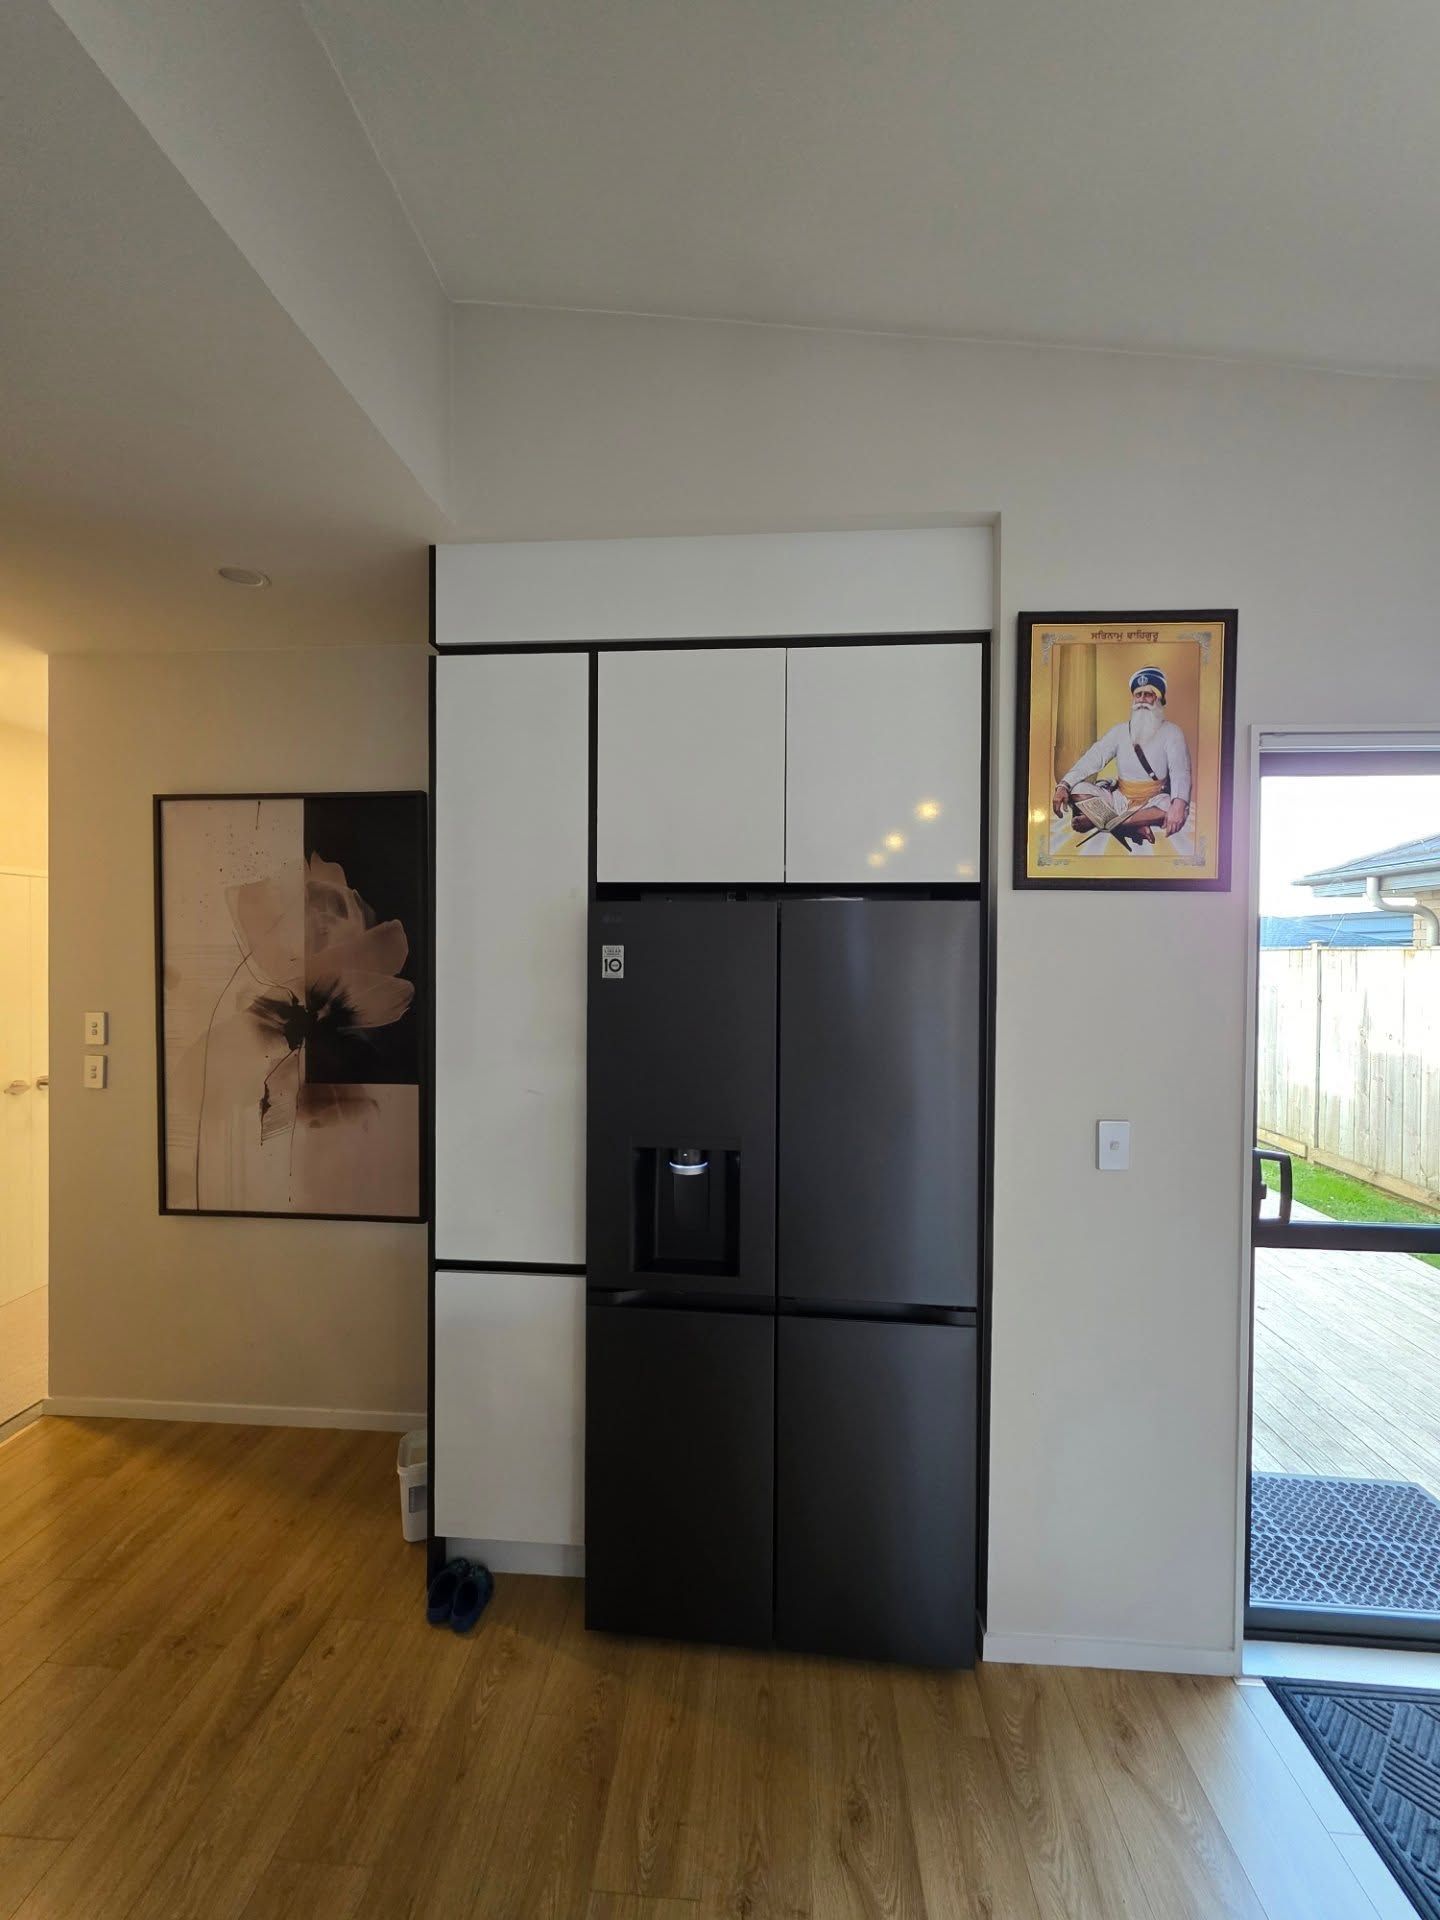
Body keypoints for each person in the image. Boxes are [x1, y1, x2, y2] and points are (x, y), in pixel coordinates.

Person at [1052, 667, 1191, 845]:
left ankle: (1097, 821)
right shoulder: (1119, 732)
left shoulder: (1172, 732)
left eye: (1148, 695)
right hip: (1120, 798)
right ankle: (1133, 827)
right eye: (1138, 695)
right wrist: (1063, 785)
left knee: (1172, 809)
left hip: (1154, 799)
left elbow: (1180, 771)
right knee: (1077, 789)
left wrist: (1178, 804)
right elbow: (1092, 758)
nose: (1142, 700)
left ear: (1159, 699)